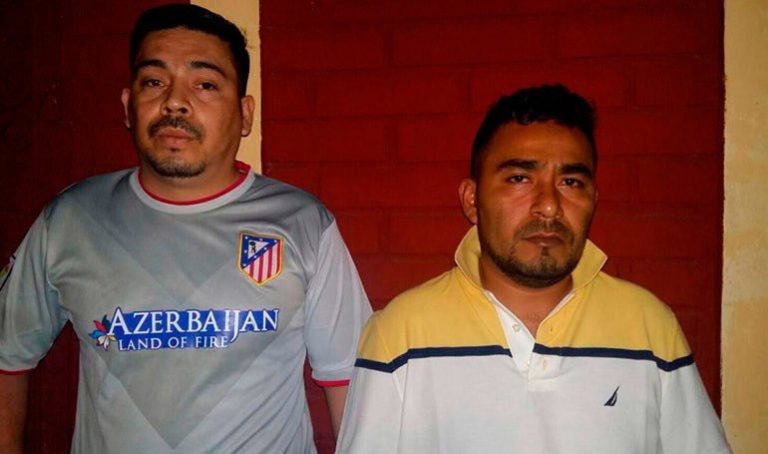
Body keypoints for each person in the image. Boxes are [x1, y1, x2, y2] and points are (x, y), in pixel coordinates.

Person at [0, 4, 371, 453]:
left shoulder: (304, 223)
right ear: (128, 105)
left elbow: (352, 383)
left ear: (245, 113)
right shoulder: (70, 220)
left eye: (205, 84)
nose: (175, 102)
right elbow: (6, 356)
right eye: (154, 81)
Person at [337, 85, 730, 453]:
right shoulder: (400, 336)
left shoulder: (649, 328)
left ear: (594, 199)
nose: (549, 205)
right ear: (472, 200)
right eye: (520, 178)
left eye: (571, 181)